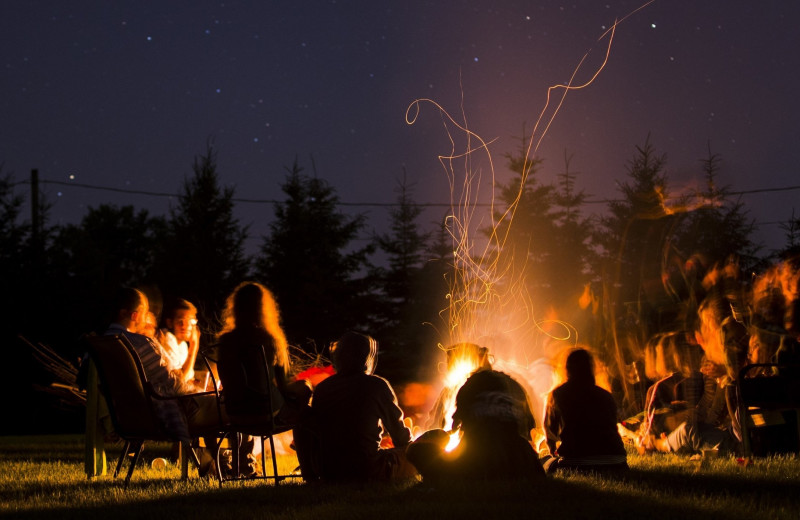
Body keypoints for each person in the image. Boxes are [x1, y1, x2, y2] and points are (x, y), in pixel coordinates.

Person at [215, 282, 311, 477]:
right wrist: (305, 385)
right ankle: (310, 463)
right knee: (305, 403)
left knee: (251, 398)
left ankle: (243, 464)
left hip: (233, 413)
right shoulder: (269, 339)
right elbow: (284, 385)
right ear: (264, 309)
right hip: (265, 413)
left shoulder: (225, 341)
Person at [295, 331, 417, 482]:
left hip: (330, 472)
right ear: (367, 357)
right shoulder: (377, 386)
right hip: (368, 469)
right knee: (419, 454)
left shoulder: (322, 389)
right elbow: (401, 437)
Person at [104, 287, 219, 444]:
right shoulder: (141, 344)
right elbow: (174, 386)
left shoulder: (99, 345)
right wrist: (201, 392)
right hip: (158, 415)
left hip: (125, 417)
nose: (147, 321)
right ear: (135, 316)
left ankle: (210, 460)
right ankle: (234, 463)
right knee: (230, 406)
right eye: (145, 314)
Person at [408, 366, 545, 482]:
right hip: (516, 457)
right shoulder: (515, 389)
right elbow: (529, 427)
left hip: (473, 458)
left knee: (415, 451)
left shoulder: (467, 390)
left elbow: (454, 426)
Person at [543, 348, 628, 474]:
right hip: (616, 461)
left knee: (544, 463)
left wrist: (552, 449)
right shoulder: (605, 395)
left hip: (577, 461)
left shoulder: (557, 394)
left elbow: (550, 432)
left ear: (566, 368)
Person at [157, 298, 201, 384]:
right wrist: (194, 346)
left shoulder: (183, 345)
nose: (186, 326)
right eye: (181, 321)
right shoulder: (167, 338)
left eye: (190, 321)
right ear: (170, 323)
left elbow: (189, 378)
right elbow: (180, 380)